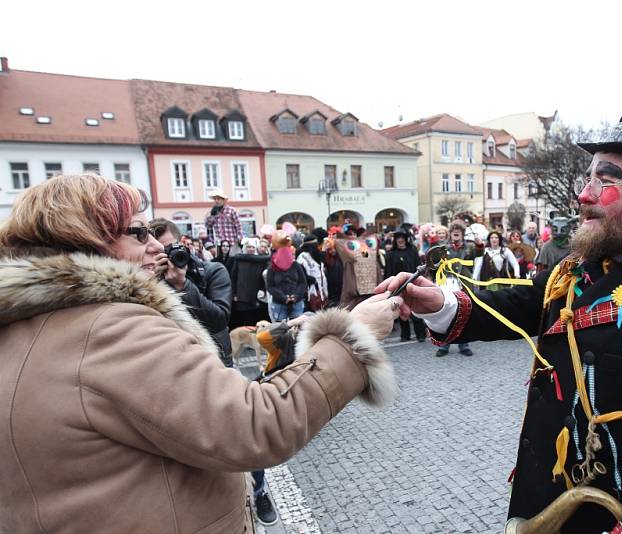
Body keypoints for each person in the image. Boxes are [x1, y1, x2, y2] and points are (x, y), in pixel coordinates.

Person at [377, 90, 622, 533]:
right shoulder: (575, 270)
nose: (584, 194)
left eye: (605, 180)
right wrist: (442, 302)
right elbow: (524, 303)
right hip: (549, 510)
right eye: (586, 179)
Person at [0, 174, 401, 533]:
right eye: (138, 233)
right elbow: (254, 425)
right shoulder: (108, 328)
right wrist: (353, 336)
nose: (156, 245)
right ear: (85, 238)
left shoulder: (24, 326)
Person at [150, 218, 235, 367]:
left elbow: (220, 319)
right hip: (171, 362)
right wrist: (150, 280)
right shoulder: (150, 277)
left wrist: (182, 285)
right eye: (158, 252)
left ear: (181, 244)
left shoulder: (213, 271)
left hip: (214, 361)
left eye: (168, 249)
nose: (166, 256)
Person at [435, 221, 476, 357]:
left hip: (464, 284)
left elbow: (479, 253)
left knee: (464, 314)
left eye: (459, 230)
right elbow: (434, 261)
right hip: (448, 283)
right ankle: (444, 346)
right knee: (447, 314)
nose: (456, 232)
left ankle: (464, 344)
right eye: (454, 230)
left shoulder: (469, 247)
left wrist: (480, 244)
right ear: (450, 234)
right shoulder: (444, 248)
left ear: (462, 233)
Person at [384, 227, 427, 342]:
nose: (400, 240)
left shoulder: (412, 251)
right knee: (402, 311)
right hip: (398, 287)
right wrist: (388, 288)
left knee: (415, 310)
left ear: (406, 239)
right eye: (398, 238)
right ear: (396, 240)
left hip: (413, 285)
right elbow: (388, 272)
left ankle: (421, 334)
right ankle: (405, 335)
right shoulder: (391, 254)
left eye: (402, 238)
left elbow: (419, 268)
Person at [230, 237, 270, 329]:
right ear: (245, 248)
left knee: (254, 320)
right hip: (241, 295)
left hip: (255, 295)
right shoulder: (239, 260)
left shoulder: (260, 260)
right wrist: (234, 293)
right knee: (243, 320)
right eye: (248, 247)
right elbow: (234, 277)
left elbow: (263, 278)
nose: (251, 249)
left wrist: (262, 290)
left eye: (252, 247)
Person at [267, 231, 307, 321]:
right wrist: (283, 297)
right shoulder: (272, 268)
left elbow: (302, 283)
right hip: (279, 304)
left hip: (297, 302)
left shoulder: (296, 265)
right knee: (281, 329)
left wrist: (296, 296)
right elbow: (270, 286)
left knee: (297, 328)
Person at [297, 228, 329, 311]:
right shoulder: (302, 257)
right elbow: (301, 275)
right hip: (310, 293)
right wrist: (312, 280)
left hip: (321, 292)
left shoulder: (315, 255)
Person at [205, 187, 243, 253]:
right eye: (215, 199)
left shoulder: (231, 210)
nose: (216, 201)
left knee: (233, 261)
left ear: (224, 200)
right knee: (221, 262)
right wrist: (212, 215)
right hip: (220, 244)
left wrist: (239, 238)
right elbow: (208, 226)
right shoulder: (212, 212)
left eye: (218, 199)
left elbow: (238, 225)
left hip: (232, 242)